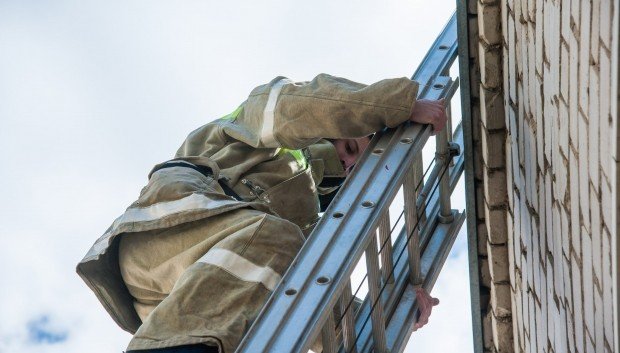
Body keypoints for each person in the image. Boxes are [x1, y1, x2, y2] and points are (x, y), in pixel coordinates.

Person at [77, 74, 447, 353]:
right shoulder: (260, 130)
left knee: (285, 272)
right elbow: (296, 106)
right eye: (350, 146)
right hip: (170, 227)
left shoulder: (300, 215)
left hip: (177, 302)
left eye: (355, 165)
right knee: (275, 238)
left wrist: (389, 312)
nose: (347, 163)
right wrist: (394, 106)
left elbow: (304, 292)